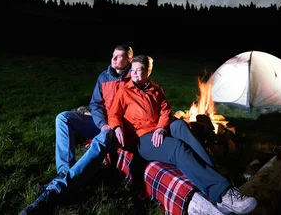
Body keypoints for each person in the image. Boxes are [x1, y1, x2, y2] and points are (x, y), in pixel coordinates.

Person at [19, 46, 214, 214]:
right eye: (113, 55)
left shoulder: (135, 77)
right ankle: (64, 173)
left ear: (129, 60)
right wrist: (102, 123)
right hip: (102, 122)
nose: (113, 59)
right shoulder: (104, 77)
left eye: (119, 56)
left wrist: (123, 127)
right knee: (63, 118)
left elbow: (154, 104)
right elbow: (95, 104)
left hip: (118, 127)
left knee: (104, 138)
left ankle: (60, 189)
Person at [109, 55, 258, 215]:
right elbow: (113, 114)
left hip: (157, 129)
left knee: (180, 125)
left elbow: (166, 110)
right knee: (177, 148)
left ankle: (214, 180)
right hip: (141, 138)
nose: (136, 74)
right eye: (133, 70)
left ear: (148, 71)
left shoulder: (156, 90)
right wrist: (117, 127)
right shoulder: (124, 91)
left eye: (140, 70)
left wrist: (160, 128)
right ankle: (223, 194)